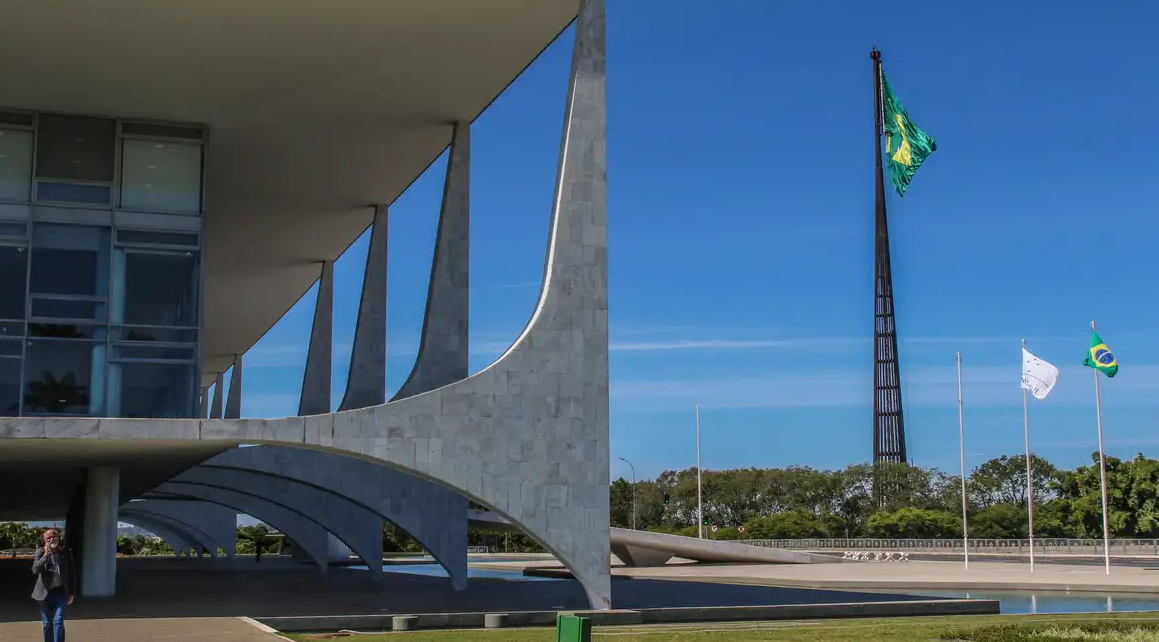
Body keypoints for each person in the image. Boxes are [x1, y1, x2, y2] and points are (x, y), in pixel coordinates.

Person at [31, 528, 77, 642]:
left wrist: (71, 592)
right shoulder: (40, 552)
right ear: (44, 540)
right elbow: (35, 570)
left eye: (54, 536)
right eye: (49, 538)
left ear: (58, 537)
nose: (52, 539)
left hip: (60, 592)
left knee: (58, 621)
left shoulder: (66, 552)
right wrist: (46, 555)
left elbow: (71, 573)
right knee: (47, 624)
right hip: (44, 594)